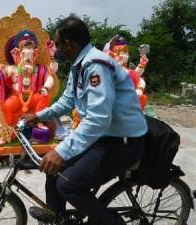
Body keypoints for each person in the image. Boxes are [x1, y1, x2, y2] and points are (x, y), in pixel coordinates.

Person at [23, 16, 148, 225]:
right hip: (104, 137)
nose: (56, 48)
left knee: (69, 185)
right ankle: (57, 217)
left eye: (57, 43)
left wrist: (61, 151)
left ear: (69, 44)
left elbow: (99, 119)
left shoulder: (96, 65)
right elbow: (68, 100)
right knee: (52, 170)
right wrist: (39, 115)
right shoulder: (80, 64)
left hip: (122, 143)